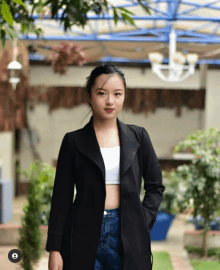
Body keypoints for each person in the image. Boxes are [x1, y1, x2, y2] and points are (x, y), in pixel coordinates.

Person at [46, 64, 165, 270]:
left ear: (124, 96)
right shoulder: (73, 141)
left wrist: (141, 220)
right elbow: (61, 198)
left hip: (128, 233)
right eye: (102, 93)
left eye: (117, 94)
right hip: (82, 232)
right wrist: (55, 249)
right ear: (89, 96)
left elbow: (155, 186)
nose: (110, 101)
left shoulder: (139, 137)